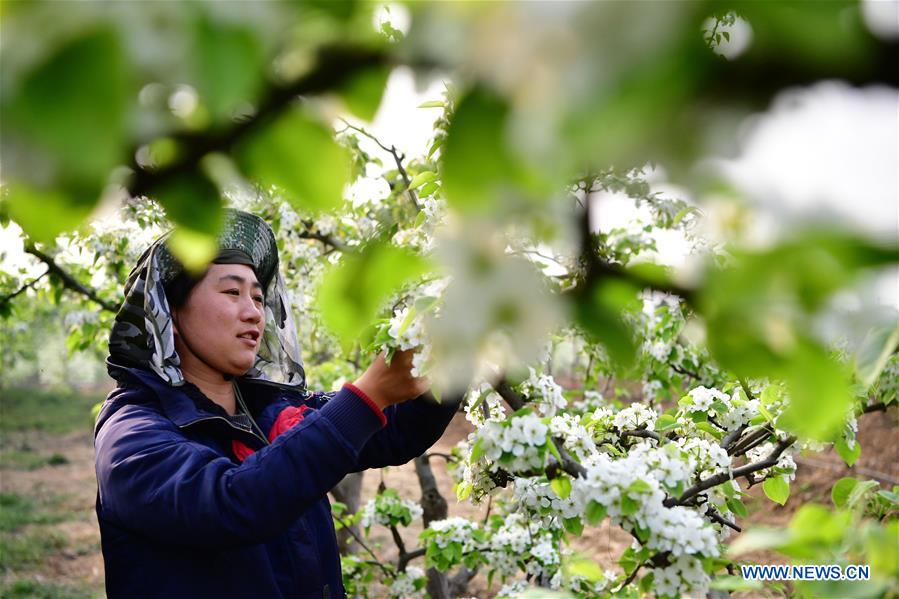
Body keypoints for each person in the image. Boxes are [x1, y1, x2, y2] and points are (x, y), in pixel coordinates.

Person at [93, 210, 458, 598]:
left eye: (257, 297)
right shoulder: (130, 435)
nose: (254, 312)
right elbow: (232, 504)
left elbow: (399, 429)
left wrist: (456, 353)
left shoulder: (270, 412)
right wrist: (367, 395)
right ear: (169, 314)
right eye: (232, 293)